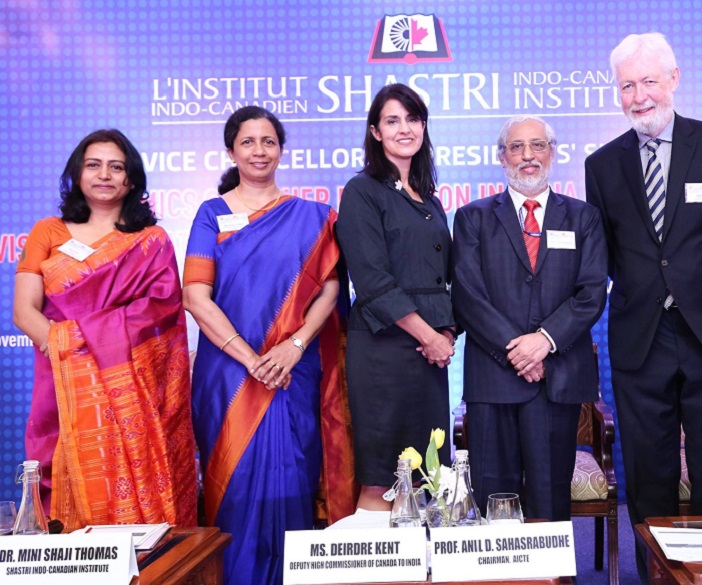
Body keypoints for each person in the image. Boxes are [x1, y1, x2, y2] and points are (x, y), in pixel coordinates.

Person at [584, 32, 702, 531]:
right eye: (627, 86)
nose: (639, 96)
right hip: (641, 336)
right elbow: (607, 251)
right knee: (646, 474)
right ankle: (656, 567)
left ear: (674, 79)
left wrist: (698, 283)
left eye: (649, 82)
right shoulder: (602, 165)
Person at [183, 106, 353, 585]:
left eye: (268, 141)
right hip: (229, 376)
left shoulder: (313, 217)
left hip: (292, 372)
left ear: (281, 149)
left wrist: (294, 346)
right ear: (231, 151)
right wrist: (251, 359)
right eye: (248, 142)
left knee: (293, 481)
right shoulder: (211, 214)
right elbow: (195, 296)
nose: (259, 151)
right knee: (234, 491)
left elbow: (330, 290)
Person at [13, 129, 197, 531]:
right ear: (77, 173)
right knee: (56, 468)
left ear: (131, 180)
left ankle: (143, 560)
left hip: (129, 382)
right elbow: (24, 311)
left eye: (116, 167)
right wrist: (71, 354)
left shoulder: (151, 240)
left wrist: (96, 351)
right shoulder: (48, 231)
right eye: (93, 165)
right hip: (60, 375)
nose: (104, 175)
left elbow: (162, 309)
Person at [451, 115, 607, 520]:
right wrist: (518, 351)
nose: (528, 156)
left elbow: (591, 292)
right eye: (516, 147)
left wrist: (544, 341)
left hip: (556, 378)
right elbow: (468, 295)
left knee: (550, 502)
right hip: (493, 379)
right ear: (502, 157)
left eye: (538, 145)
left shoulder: (584, 217)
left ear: (552, 153)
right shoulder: (473, 218)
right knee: (494, 503)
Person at [336, 83, 455, 511]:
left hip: (428, 355)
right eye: (392, 120)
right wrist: (430, 336)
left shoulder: (430, 199)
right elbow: (372, 281)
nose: (404, 128)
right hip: (383, 348)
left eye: (412, 118)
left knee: (428, 475)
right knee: (383, 478)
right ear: (375, 131)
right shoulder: (362, 191)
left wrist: (447, 333)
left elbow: (442, 278)